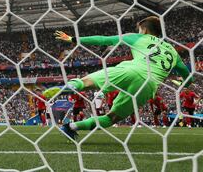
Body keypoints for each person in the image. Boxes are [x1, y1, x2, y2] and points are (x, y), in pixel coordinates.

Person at [43, 16, 193, 139]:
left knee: (86, 82)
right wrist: (184, 84)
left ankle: (71, 86)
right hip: (149, 86)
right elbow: (188, 77)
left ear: (145, 29)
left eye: (140, 29)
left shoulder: (138, 37)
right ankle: (71, 127)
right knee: (111, 118)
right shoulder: (173, 52)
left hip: (131, 69)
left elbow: (103, 40)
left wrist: (73, 39)